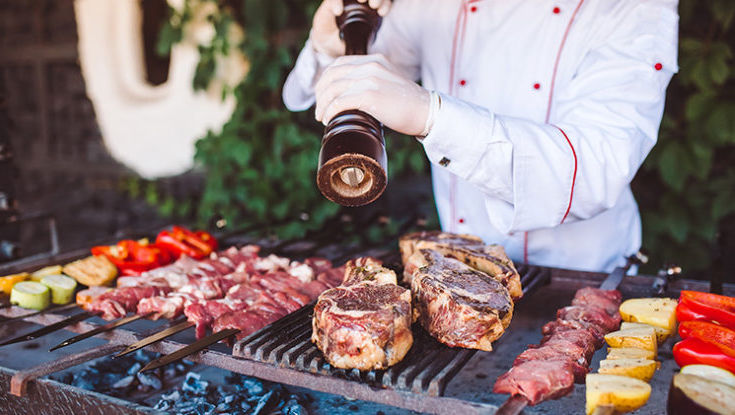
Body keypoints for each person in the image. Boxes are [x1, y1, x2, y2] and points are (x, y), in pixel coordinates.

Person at [282, 0, 679, 272]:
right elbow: (359, 81)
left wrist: (428, 114)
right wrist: (327, 44)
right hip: (460, 275)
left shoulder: (633, 9)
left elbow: (594, 168)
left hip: (584, 278)